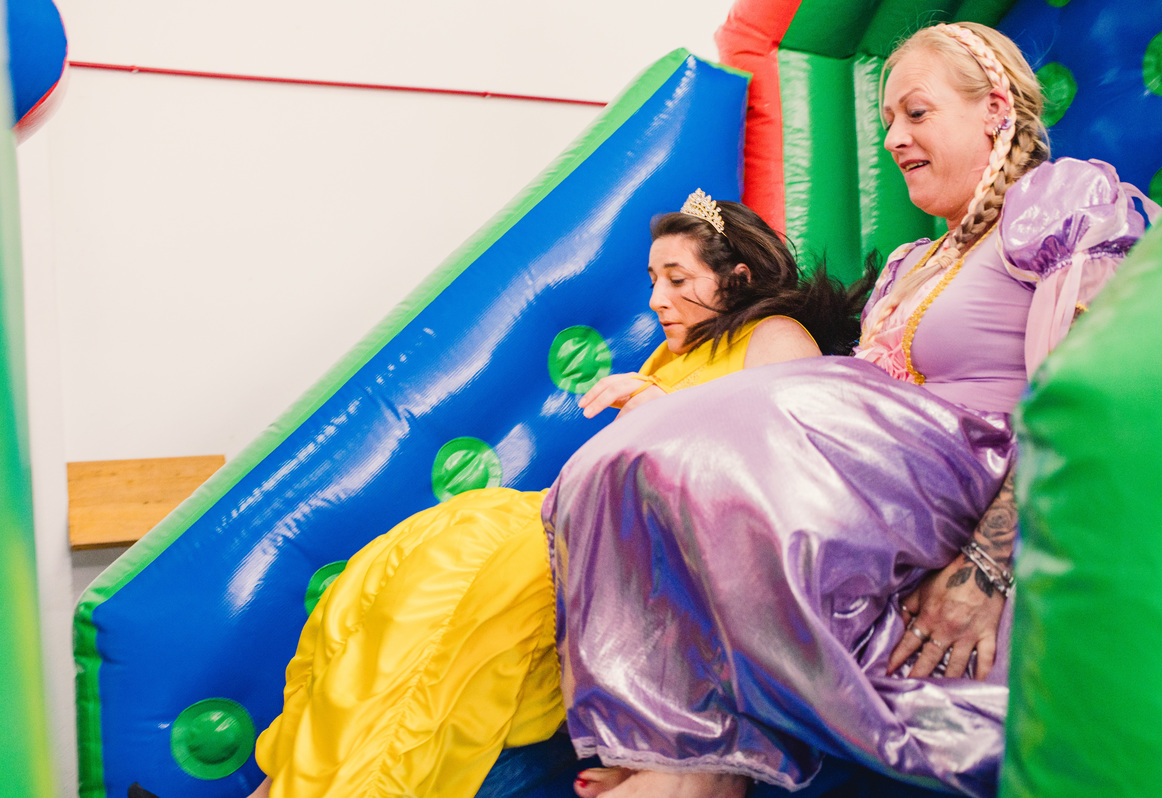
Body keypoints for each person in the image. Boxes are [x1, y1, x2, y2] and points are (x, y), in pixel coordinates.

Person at [543, 21, 1158, 798]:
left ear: (996, 109)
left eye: (917, 113)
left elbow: (1092, 392)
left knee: (695, 452)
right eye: (887, 121)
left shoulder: (1055, 202)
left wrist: (985, 568)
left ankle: (697, 765)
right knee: (631, 468)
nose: (894, 138)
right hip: (895, 503)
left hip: (982, 487)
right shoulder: (911, 264)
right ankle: (686, 749)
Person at [246, 191, 874, 798]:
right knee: (394, 577)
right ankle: (294, 781)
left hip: (632, 549)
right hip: (580, 519)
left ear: (737, 280)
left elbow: (778, 471)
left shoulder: (776, 336)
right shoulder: (668, 356)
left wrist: (663, 413)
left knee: (448, 598)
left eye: (678, 279)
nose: (657, 299)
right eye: (653, 280)